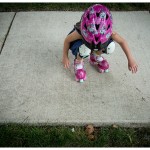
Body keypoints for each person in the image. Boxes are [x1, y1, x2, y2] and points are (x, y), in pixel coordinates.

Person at [62, 4, 138, 83]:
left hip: (94, 43)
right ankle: (78, 61)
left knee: (110, 47)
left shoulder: (110, 33)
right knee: (85, 50)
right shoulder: (80, 32)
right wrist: (65, 56)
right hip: (82, 44)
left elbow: (122, 41)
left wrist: (130, 59)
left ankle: (95, 55)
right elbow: (67, 40)